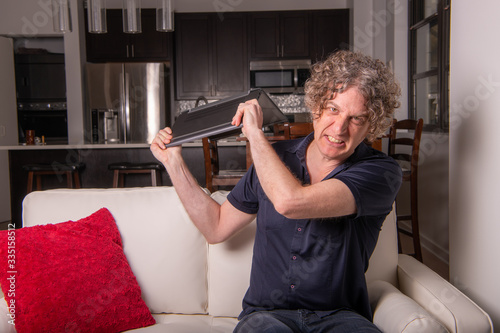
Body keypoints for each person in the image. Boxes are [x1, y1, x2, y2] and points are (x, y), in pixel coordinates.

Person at [151, 50, 402, 333]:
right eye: (333, 109)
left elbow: (291, 202)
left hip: (341, 317)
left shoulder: (381, 173)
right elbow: (215, 227)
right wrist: (173, 163)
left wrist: (256, 135)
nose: (340, 127)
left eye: (357, 118)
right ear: (316, 106)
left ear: (371, 125)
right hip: (266, 318)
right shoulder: (274, 160)